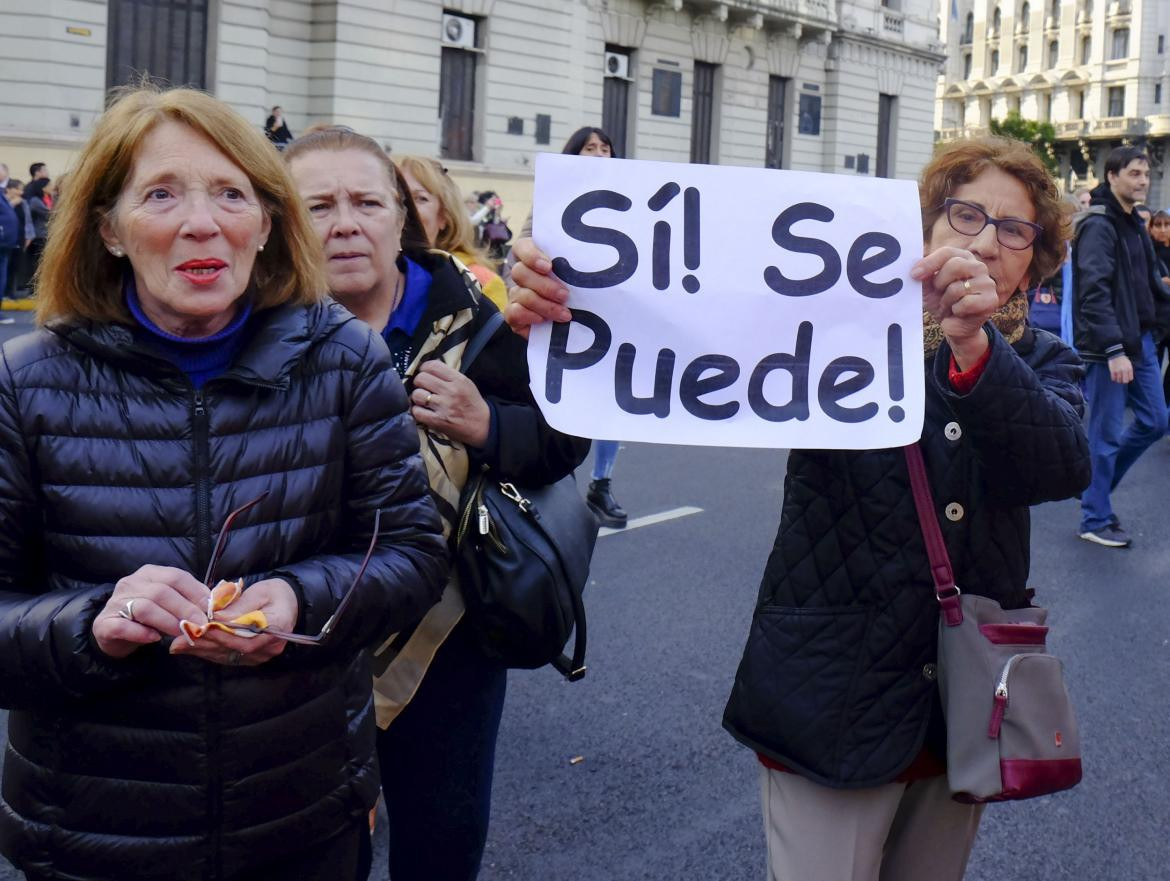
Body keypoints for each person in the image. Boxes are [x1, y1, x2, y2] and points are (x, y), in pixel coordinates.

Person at [505, 135, 1091, 881]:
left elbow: (1057, 464)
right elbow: (690, 318)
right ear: (924, 227)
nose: (986, 239)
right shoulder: (832, 320)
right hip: (831, 688)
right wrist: (570, 298)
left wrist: (974, 346)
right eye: (966, 213)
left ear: (1033, 262)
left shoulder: (1040, 360)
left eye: (1015, 229)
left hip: (959, 703)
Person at [0, 85, 450, 881]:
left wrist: (299, 601)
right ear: (107, 228)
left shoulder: (346, 359)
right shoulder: (25, 382)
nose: (201, 222)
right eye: (161, 194)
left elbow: (412, 555)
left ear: (268, 223)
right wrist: (91, 624)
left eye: (231, 193)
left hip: (302, 821)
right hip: (92, 837)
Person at [284, 127, 587, 881]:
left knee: (439, 848)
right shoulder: (253, 329)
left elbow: (563, 439)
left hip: (450, 641)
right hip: (295, 642)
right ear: (282, 220)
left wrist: (488, 425)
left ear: (403, 218)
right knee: (314, 848)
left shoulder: (480, 322)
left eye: (366, 202)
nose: (345, 222)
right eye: (317, 205)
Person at [505, 124, 628, 527]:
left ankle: (602, 484)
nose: (598, 153)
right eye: (588, 147)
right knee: (561, 413)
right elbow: (517, 263)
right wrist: (521, 288)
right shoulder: (552, 202)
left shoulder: (636, 202)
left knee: (612, 409)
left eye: (604, 147)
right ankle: (564, 491)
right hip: (563, 326)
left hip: (617, 330)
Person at [1073, 145, 1170, 547]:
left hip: (1141, 340)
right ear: (1111, 176)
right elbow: (1093, 291)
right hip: (1109, 346)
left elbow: (1152, 281)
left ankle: (1096, 490)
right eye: (1134, 174)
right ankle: (1094, 518)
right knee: (1106, 434)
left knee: (1155, 421)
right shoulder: (1099, 224)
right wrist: (1114, 349)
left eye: (1145, 174)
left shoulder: (1132, 222)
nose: (1142, 181)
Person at [396, 154, 508, 311]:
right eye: (398, 198)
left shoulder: (480, 283)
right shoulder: (367, 276)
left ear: (444, 216)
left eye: (420, 198)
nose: (406, 209)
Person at [21, 177, 50, 291]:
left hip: (45, 235)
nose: (51, 187)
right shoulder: (35, 201)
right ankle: (34, 288)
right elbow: (49, 213)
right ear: (43, 188)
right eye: (49, 185)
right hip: (39, 236)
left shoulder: (47, 199)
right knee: (37, 263)